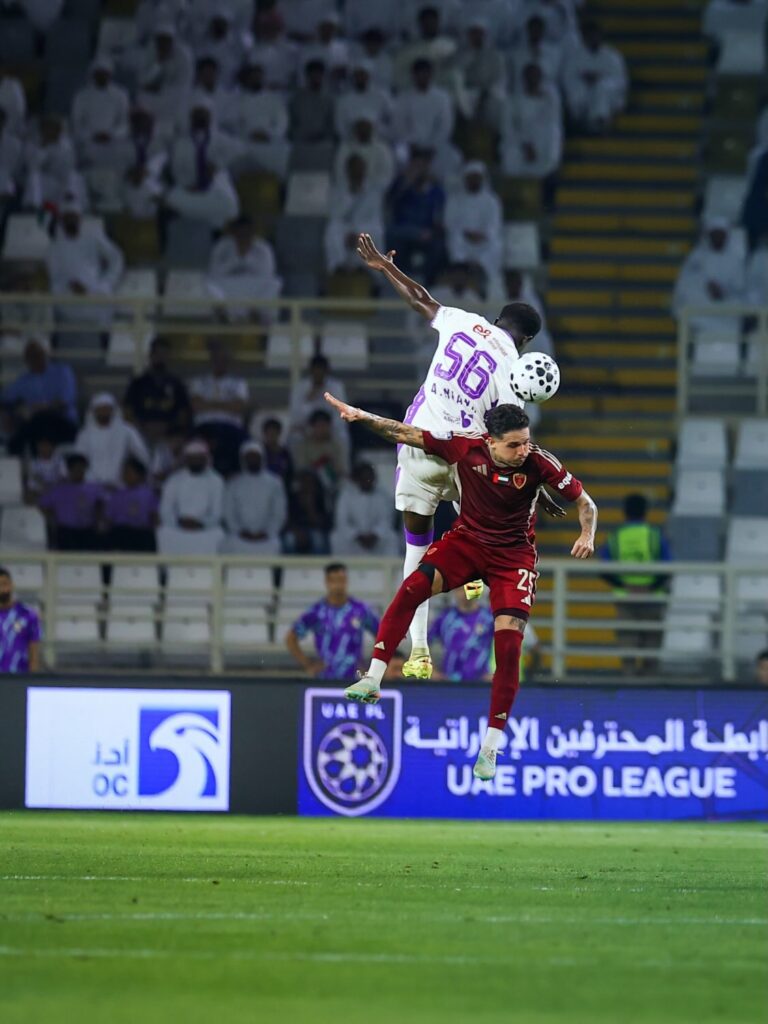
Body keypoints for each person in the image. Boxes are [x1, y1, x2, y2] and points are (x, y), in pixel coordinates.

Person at [325, 397, 597, 780]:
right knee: (411, 588)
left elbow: (586, 502)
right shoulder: (463, 446)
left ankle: (491, 746)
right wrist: (361, 417)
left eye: (526, 442)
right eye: (514, 445)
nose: (523, 451)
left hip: (513, 557)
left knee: (507, 646)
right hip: (468, 542)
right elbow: (405, 432)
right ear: (491, 441)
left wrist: (588, 531)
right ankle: (373, 677)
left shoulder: (540, 462)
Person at [353, 232, 563, 681]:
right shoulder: (513, 375)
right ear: (525, 342)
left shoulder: (464, 321)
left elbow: (421, 299)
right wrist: (540, 490)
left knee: (417, 548)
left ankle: (420, 651)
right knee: (483, 483)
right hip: (458, 462)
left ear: (495, 318)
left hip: (415, 443)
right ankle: (475, 569)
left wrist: (385, 267)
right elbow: (510, 449)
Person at [600, 493, 671, 675]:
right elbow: (668, 567)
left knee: (628, 643)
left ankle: (629, 681)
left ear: (624, 512)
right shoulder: (654, 535)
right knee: (651, 646)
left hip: (625, 598)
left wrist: (624, 586)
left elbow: (604, 570)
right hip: (652, 597)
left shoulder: (615, 537)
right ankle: (651, 685)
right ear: (645, 512)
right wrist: (650, 587)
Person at [285, 562, 380, 680]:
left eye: (341, 580)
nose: (338, 585)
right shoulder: (317, 612)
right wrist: (308, 664)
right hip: (324, 678)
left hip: (355, 678)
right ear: (327, 582)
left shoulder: (360, 610)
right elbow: (291, 638)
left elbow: (382, 635)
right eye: (334, 580)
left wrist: (372, 666)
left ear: (346, 581)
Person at [46, 200, 125, 323]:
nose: (71, 221)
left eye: (74, 217)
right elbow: (55, 277)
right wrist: (69, 286)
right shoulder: (55, 247)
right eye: (67, 218)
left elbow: (116, 257)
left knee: (103, 301)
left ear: (80, 219)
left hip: (96, 292)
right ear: (62, 221)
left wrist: (107, 282)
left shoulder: (93, 236)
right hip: (68, 298)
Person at [672, 217, 746, 338]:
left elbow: (740, 288)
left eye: (721, 234)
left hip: (725, 306)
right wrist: (706, 286)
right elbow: (684, 283)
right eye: (715, 234)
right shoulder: (697, 256)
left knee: (738, 305)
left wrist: (723, 292)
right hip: (701, 304)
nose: (718, 238)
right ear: (709, 236)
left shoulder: (735, 260)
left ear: (726, 236)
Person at [2, 337, 78, 456]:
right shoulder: (23, 381)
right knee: (18, 439)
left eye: (38, 354)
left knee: (41, 420)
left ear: (45, 354)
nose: (35, 359)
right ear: (26, 359)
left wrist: (37, 408)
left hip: (62, 422)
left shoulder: (62, 371)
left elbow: (64, 402)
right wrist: (17, 409)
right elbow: (6, 400)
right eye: (30, 356)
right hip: (35, 425)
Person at [386, 147, 446, 284]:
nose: (419, 170)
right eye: (416, 166)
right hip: (403, 231)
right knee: (392, 236)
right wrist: (406, 182)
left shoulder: (436, 191)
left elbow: (439, 218)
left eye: (422, 166)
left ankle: (429, 281)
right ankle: (398, 278)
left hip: (427, 233)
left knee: (438, 244)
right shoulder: (401, 186)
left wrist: (432, 231)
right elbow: (390, 203)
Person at [189, 342, 250, 477]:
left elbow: (239, 407)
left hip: (231, 428)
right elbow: (196, 406)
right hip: (204, 427)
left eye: (224, 359)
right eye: (217, 359)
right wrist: (226, 404)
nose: (220, 363)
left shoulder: (239, 382)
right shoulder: (199, 381)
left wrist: (209, 404)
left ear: (228, 362)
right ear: (212, 360)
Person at [206, 215, 283, 321]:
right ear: (233, 232)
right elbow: (213, 273)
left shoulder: (263, 248)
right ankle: (225, 315)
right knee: (208, 285)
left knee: (275, 283)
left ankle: (255, 314)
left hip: (255, 288)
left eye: (246, 232)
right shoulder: (222, 246)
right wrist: (236, 259)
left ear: (252, 232)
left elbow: (268, 273)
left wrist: (246, 258)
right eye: (240, 232)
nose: (243, 235)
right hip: (227, 286)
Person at [445, 162, 504, 295]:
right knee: (454, 240)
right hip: (463, 238)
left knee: (496, 245)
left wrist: (483, 235)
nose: (474, 181)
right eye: (471, 178)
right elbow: (449, 222)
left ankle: (481, 271)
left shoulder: (491, 200)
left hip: (483, 240)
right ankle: (461, 271)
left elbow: (494, 224)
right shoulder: (455, 199)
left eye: (477, 178)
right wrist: (466, 234)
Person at [156, 439, 224, 555]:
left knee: (218, 534)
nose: (195, 462)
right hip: (177, 526)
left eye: (198, 458)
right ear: (186, 460)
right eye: (192, 458)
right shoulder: (174, 479)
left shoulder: (216, 481)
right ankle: (171, 572)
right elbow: (165, 510)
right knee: (163, 532)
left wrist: (201, 523)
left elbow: (217, 512)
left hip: (205, 528)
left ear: (205, 459)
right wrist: (179, 522)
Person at [561, 19, 627, 133]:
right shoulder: (576, 55)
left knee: (602, 87)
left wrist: (599, 78)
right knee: (576, 85)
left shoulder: (612, 55)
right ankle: (579, 118)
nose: (593, 38)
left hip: (606, 94)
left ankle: (600, 121)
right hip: (584, 90)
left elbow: (620, 80)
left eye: (595, 35)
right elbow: (568, 76)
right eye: (589, 35)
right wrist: (585, 78)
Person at [499, 62, 563, 180]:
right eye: (530, 76)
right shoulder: (513, 101)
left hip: (541, 145)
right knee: (510, 154)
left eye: (536, 76)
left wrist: (535, 146)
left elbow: (550, 127)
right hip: (518, 143)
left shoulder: (549, 102)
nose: (533, 79)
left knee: (554, 134)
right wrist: (525, 145)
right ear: (524, 78)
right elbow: (508, 128)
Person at [223, 441, 287, 555]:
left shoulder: (275, 482)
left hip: (267, 537)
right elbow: (229, 512)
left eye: (256, 456)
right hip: (239, 536)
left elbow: (279, 513)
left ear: (262, 458)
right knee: (228, 543)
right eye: (249, 457)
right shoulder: (234, 483)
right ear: (243, 459)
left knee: (275, 544)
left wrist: (266, 533)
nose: (253, 460)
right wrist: (241, 532)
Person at [324, 154, 385, 273]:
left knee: (377, 233)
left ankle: (370, 274)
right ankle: (338, 268)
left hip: (367, 227)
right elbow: (335, 215)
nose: (357, 173)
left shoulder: (374, 191)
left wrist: (358, 234)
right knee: (332, 230)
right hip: (345, 228)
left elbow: (374, 219)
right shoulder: (339, 190)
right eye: (354, 169)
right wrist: (350, 197)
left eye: (359, 169)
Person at [123, 337, 191, 443]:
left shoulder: (177, 384)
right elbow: (127, 411)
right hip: (141, 433)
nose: (161, 358)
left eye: (165, 354)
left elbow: (184, 414)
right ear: (151, 355)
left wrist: (168, 428)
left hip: (170, 436)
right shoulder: (138, 383)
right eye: (158, 354)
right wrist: (142, 428)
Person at [230, 61, 290, 179]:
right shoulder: (237, 100)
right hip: (246, 141)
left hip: (270, 141)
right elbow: (233, 124)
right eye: (253, 78)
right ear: (247, 79)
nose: (256, 80)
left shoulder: (273, 98)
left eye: (259, 77)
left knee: (286, 151)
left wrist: (269, 134)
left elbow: (282, 121)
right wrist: (249, 134)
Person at [75, 393, 150, 488]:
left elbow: (142, 455)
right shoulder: (84, 434)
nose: (103, 412)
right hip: (91, 485)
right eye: (100, 409)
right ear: (94, 411)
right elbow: (79, 460)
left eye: (107, 409)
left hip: (121, 485)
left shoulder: (127, 431)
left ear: (113, 410)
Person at [70, 56, 130, 167]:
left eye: (105, 73)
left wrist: (111, 135)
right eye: (99, 73)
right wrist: (92, 136)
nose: (102, 77)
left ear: (110, 75)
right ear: (93, 74)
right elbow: (76, 123)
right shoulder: (82, 95)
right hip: (88, 142)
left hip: (113, 142)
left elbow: (124, 123)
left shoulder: (121, 95)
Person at [330, 462, 400, 556]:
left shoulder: (382, 496)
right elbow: (341, 520)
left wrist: (375, 534)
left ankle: (388, 569)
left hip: (375, 539)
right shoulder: (346, 495)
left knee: (392, 538)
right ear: (358, 479)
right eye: (364, 478)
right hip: (354, 538)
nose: (368, 480)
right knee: (336, 538)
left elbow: (386, 520)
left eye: (370, 478)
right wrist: (357, 536)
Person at [39, 451, 104, 551]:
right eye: (76, 468)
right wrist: (52, 519)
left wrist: (98, 519)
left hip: (88, 531)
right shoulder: (59, 489)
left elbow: (101, 504)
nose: (79, 471)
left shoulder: (94, 488)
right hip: (65, 532)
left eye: (82, 468)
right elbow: (43, 505)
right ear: (69, 469)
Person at [429, 590, 495, 681]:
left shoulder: (489, 618)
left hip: (481, 683)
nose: (465, 592)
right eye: (461, 588)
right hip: (449, 682)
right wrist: (432, 671)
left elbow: (506, 644)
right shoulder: (445, 617)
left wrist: (497, 673)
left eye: (469, 587)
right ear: (455, 590)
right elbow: (425, 642)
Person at [103, 456, 159, 552]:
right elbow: (109, 519)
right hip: (120, 534)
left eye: (129, 472)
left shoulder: (148, 494)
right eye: (124, 472)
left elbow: (154, 517)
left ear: (139, 475)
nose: (125, 475)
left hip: (141, 534)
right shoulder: (116, 494)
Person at [0, 567, 41, 673]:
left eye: (5, 584)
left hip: (19, 679)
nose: (2, 589)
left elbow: (34, 652)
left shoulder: (28, 615)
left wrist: (33, 678)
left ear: (12, 585)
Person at [289, 59, 335, 143]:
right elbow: (292, 122)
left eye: (318, 74)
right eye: (313, 74)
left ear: (323, 76)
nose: (316, 78)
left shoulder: (330, 99)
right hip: (300, 141)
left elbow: (332, 123)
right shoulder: (297, 98)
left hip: (323, 142)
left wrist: (323, 136)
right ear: (307, 76)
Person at [261, 417, 294, 491]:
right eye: (269, 433)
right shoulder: (260, 453)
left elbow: (290, 474)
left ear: (279, 433)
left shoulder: (285, 453)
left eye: (274, 433)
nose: (271, 436)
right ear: (265, 434)